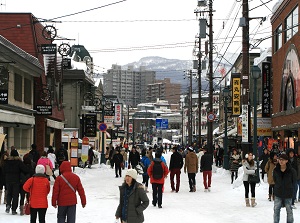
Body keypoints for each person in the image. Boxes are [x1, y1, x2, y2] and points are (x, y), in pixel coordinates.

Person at [3, 150, 30, 214]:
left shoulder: (7, 162)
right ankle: (13, 209)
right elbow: (25, 170)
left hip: (8, 180)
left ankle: (8, 204)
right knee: (15, 195)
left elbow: (4, 170)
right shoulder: (19, 162)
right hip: (16, 180)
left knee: (9, 193)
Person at [273, 153, 297, 223]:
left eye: (283, 160)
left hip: (288, 193)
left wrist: (291, 190)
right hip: (278, 193)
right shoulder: (276, 170)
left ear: (286, 161)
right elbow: (275, 180)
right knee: (276, 210)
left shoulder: (292, 171)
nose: (281, 161)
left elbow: (294, 181)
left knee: (289, 210)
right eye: (280, 159)